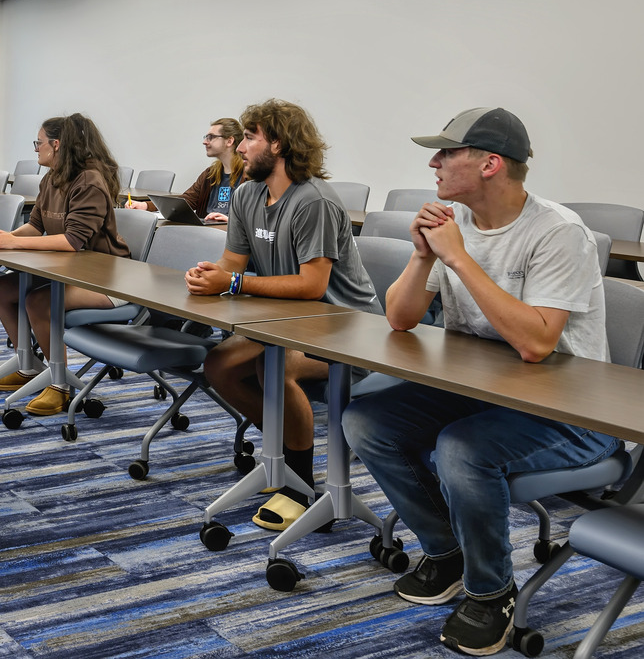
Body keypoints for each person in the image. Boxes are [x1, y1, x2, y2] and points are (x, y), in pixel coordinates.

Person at [341, 107, 614, 657]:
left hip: (572, 412)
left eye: (447, 152)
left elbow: (537, 345)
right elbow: (399, 318)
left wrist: (460, 260)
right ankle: (448, 552)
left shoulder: (559, 233)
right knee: (365, 420)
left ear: (490, 163)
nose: (433, 162)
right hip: (480, 392)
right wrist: (422, 257)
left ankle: (494, 591)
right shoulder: (454, 225)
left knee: (462, 450)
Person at [190, 99, 379, 532]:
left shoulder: (313, 202)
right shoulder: (246, 194)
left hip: (347, 327)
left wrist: (234, 285)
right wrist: (209, 276)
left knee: (277, 367)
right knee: (219, 364)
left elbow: (313, 285)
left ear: (277, 144)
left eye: (250, 138)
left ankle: (298, 483)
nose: (239, 147)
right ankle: (281, 455)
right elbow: (232, 264)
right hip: (287, 319)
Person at [0, 114, 132, 416]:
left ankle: (59, 384)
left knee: (39, 302)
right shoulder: (51, 177)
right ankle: (28, 365)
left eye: (39, 143)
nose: (36, 148)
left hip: (109, 281)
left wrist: (15, 244)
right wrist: (7, 237)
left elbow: (72, 241)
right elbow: (35, 226)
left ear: (57, 145)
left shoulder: (89, 180)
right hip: (69, 273)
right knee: (1, 288)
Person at [129, 117, 246, 222]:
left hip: (230, 235)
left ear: (229, 141)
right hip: (208, 232)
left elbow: (256, 217)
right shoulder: (210, 174)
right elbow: (185, 202)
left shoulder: (249, 175)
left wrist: (231, 221)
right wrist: (145, 206)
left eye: (211, 137)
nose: (205, 142)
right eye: (206, 137)